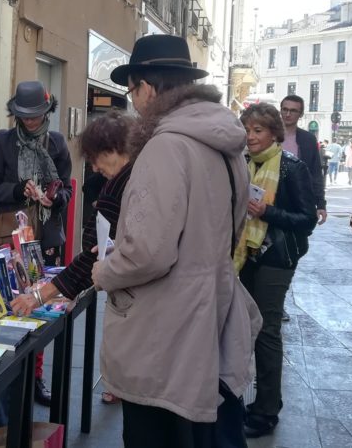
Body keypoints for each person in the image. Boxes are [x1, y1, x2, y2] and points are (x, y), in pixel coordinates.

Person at [91, 34, 261, 448]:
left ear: (147, 86)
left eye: (131, 90)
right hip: (209, 311)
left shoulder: (167, 146)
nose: (132, 101)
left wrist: (104, 270)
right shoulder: (225, 144)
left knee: (157, 431)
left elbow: (147, 253)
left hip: (164, 333)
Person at [10, 111, 132, 405]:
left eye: (94, 158)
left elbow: (92, 252)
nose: (93, 166)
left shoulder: (119, 185)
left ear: (114, 149)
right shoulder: (133, 177)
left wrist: (41, 296)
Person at [0, 80, 72, 406]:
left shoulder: (57, 143)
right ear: (16, 113)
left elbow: (66, 191)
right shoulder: (3, 142)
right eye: (25, 116)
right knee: (6, 306)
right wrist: (19, 191)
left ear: (47, 111)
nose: (31, 121)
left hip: (44, 238)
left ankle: (34, 377)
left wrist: (52, 198)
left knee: (40, 307)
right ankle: (3, 373)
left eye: (36, 115)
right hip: (9, 238)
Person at [235, 103, 318, 438]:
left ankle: (267, 411)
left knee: (267, 330)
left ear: (273, 133)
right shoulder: (242, 164)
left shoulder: (291, 168)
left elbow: (307, 221)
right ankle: (249, 402)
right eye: (247, 130)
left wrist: (267, 211)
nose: (251, 136)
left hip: (276, 258)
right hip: (245, 254)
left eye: (258, 130)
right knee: (246, 328)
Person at [279, 96, 327, 225]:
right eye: (285, 109)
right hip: (270, 198)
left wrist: (320, 203)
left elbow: (315, 172)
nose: (288, 114)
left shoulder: (308, 139)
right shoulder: (269, 135)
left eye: (293, 111)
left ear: (300, 114)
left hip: (298, 199)